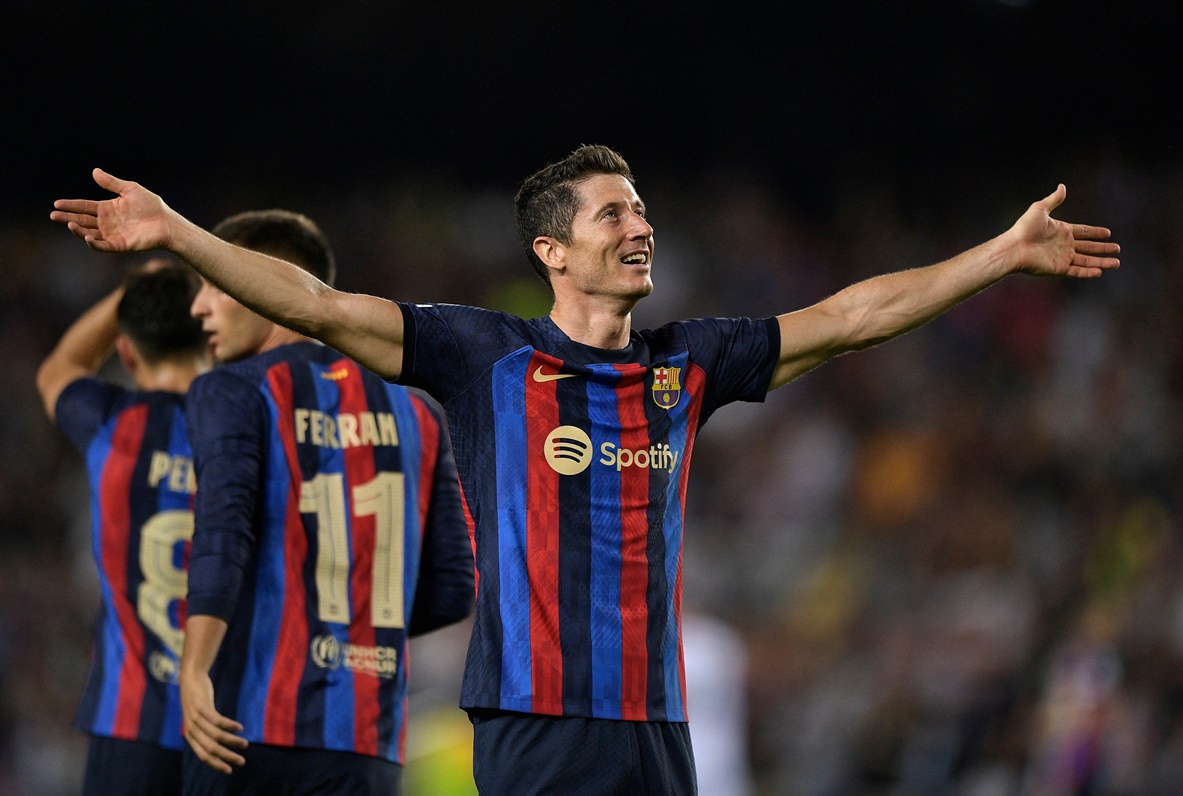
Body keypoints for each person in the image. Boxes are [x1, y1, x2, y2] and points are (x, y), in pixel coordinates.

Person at [51, 145, 1120, 795]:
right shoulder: (482, 356)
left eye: (643, 209)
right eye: (615, 212)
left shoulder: (687, 363)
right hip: (538, 726)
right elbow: (316, 307)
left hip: (658, 727)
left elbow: (848, 318)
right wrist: (180, 236)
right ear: (552, 251)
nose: (641, 224)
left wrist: (1000, 253)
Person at [171, 210, 475, 794]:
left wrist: (193, 669)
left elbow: (221, 532)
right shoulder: (418, 412)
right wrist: (350, 632)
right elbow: (452, 588)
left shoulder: (233, 388)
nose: (200, 308)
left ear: (262, 283)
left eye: (215, 284)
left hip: (246, 728)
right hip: (367, 743)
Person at [36, 259, 211, 795]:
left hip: (129, 725)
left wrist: (131, 296)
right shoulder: (250, 425)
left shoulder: (111, 424)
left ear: (127, 352)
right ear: (211, 338)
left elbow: (59, 367)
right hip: (232, 724)